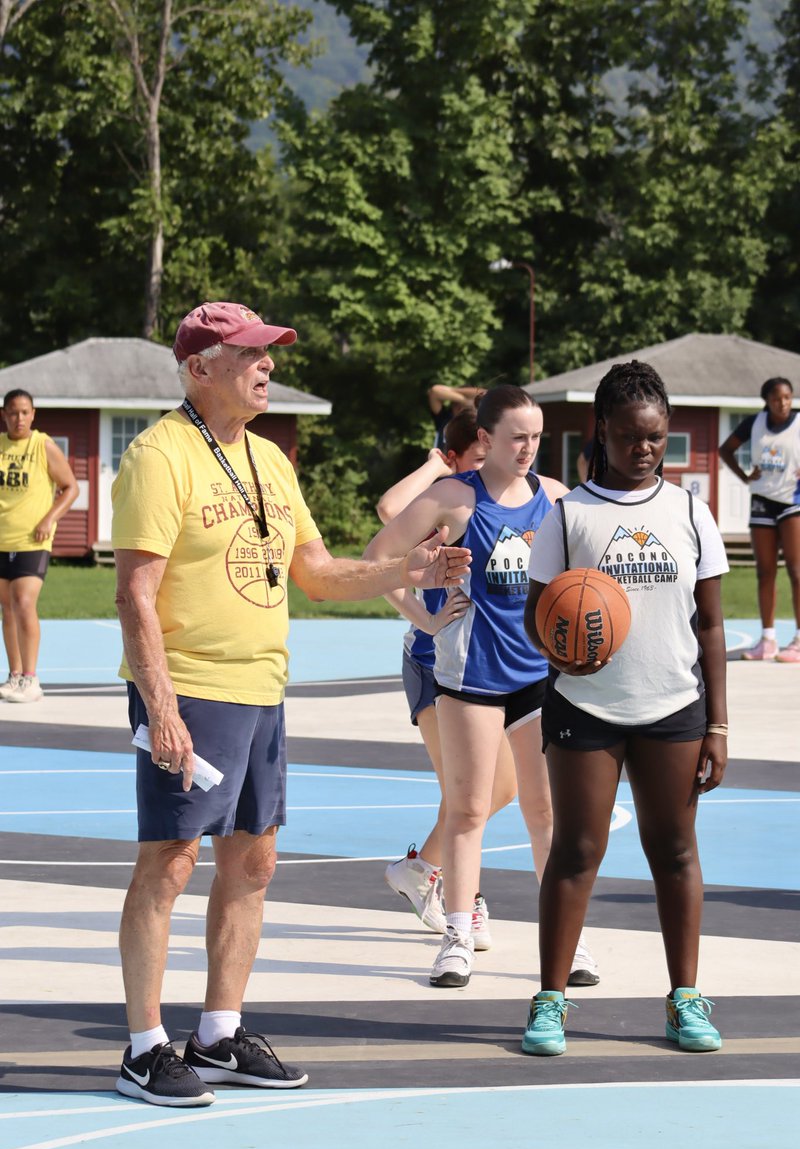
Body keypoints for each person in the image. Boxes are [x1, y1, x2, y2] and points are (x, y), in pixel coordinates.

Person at [111, 300, 471, 1108]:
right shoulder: (159, 456)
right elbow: (135, 593)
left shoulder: (270, 460)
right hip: (190, 686)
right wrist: (160, 705)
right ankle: (143, 1048)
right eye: (248, 353)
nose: (267, 364)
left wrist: (406, 571)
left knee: (255, 861)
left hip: (262, 687)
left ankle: (218, 1035)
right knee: (170, 862)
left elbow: (315, 572)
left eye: (267, 351)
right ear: (200, 368)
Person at [521, 360, 729, 1057]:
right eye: (631, 436)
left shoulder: (690, 511)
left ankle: (685, 998)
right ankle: (550, 1001)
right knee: (577, 851)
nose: (645, 449)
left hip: (674, 706)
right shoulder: (569, 515)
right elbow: (536, 615)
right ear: (602, 429)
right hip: (586, 708)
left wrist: (718, 723)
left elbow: (711, 626)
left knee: (675, 851)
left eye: (657, 438)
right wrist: (559, 651)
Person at [365, 384, 599, 990]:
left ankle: (568, 938)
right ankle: (457, 937)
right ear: (486, 439)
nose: (528, 448)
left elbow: (587, 573)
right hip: (470, 677)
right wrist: (424, 618)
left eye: (537, 437)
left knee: (544, 810)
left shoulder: (555, 498)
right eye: (517, 437)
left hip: (539, 677)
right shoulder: (453, 498)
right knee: (469, 810)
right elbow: (377, 557)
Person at [379, 410, 517, 953]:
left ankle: (422, 869)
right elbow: (387, 511)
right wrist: (437, 463)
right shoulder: (446, 500)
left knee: (497, 788)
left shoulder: (504, 499)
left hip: (481, 665)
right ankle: (465, 895)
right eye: (479, 458)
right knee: (468, 794)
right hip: (432, 662)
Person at [0, 388, 79, 703]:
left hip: (32, 540)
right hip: (2, 539)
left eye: (24, 412)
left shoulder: (43, 445)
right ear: (4, 415)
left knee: (23, 603)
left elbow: (70, 487)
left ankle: (31, 679)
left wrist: (49, 519)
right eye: (13, 412)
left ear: (33, 415)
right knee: (7, 609)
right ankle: (15, 675)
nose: (19, 418)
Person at [719, 376, 800, 662]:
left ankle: (799, 640)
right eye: (777, 398)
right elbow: (725, 449)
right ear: (767, 400)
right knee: (765, 572)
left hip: (792, 501)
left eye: (788, 397)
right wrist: (744, 476)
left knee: (797, 572)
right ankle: (767, 640)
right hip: (762, 501)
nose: (783, 403)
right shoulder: (754, 424)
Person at [427, 383, 482, 449]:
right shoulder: (444, 418)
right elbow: (434, 391)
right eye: (456, 402)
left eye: (466, 407)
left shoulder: (476, 425)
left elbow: (487, 394)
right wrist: (464, 401)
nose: (460, 408)